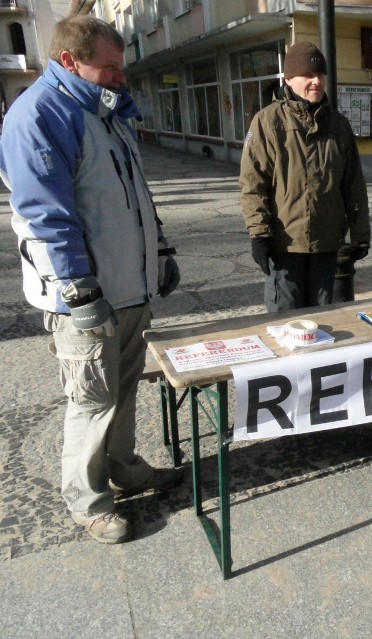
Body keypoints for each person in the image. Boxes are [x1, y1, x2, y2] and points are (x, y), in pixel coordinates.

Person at [0, 16, 183, 544]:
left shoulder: (104, 110)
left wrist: (160, 251)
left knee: (123, 390)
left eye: (120, 67)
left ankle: (123, 467)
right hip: (87, 295)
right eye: (109, 68)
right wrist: (80, 290)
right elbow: (45, 214)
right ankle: (89, 500)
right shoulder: (40, 114)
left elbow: (136, 195)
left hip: (131, 287)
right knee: (91, 399)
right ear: (69, 61)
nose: (120, 77)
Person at [240, 42, 370, 312]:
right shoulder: (267, 123)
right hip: (284, 248)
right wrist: (259, 236)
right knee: (287, 325)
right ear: (288, 79)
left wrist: (360, 234)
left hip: (326, 246)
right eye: (308, 76)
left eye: (321, 75)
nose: (316, 81)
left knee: (328, 324)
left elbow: (354, 185)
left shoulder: (339, 126)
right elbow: (253, 186)